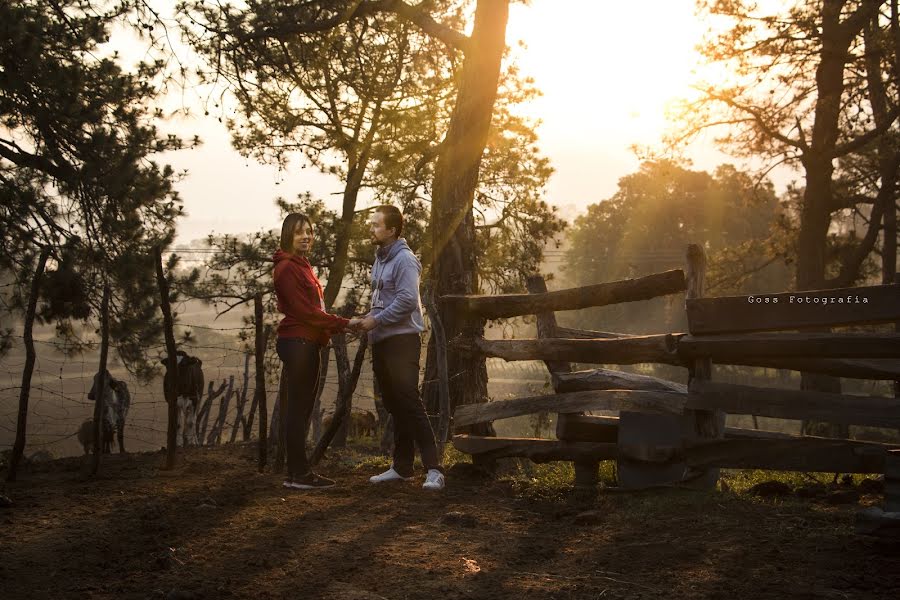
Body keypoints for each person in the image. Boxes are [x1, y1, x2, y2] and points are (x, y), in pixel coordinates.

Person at [350, 205, 445, 491]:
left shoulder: (405, 260)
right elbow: (383, 299)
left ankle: (434, 469)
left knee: (409, 401)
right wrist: (366, 319)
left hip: (402, 341)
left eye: (377, 225)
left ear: (392, 230)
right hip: (382, 340)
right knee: (395, 404)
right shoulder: (380, 258)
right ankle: (402, 467)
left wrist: (375, 320)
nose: (372, 229)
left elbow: (406, 301)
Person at [273, 213, 349, 490]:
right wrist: (344, 324)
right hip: (299, 344)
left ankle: (297, 473)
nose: (306, 236)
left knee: (301, 410)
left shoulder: (301, 265)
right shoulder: (286, 269)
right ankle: (299, 474)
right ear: (287, 236)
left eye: (309, 231)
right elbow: (306, 312)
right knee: (298, 410)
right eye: (298, 232)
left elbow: (314, 310)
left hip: (306, 343)